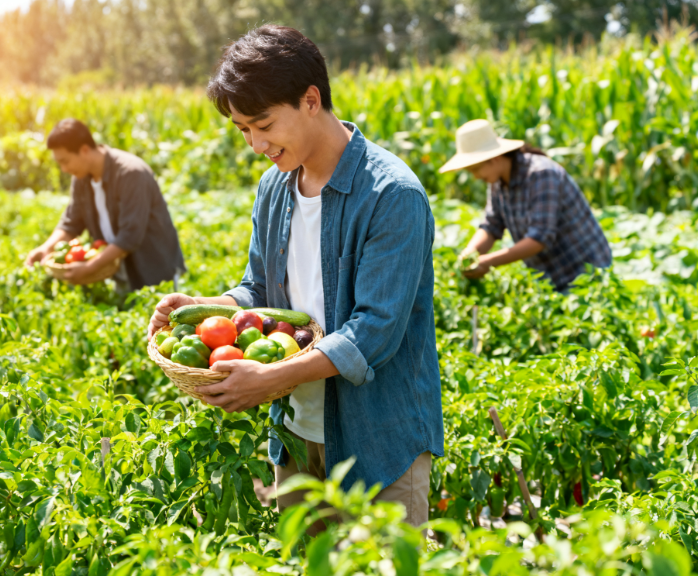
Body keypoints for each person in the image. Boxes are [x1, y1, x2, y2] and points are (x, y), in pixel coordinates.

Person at [148, 25, 443, 529]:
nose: (255, 143)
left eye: (263, 124)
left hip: (378, 438)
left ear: (311, 100)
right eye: (243, 129)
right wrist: (206, 306)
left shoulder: (392, 195)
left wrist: (271, 378)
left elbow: (375, 332)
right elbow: (258, 291)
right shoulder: (275, 187)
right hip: (295, 434)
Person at [440, 119, 612, 292]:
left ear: (494, 159)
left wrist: (488, 262)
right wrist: (470, 254)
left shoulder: (541, 174)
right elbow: (491, 226)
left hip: (586, 274)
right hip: (550, 278)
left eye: (476, 169)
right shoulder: (497, 183)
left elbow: (540, 238)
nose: (475, 177)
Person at [25, 118, 185, 291]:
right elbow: (72, 223)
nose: (64, 169)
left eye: (65, 161)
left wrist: (89, 268)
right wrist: (46, 248)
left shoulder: (131, 174)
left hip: (152, 269)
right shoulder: (81, 177)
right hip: (117, 270)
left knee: (160, 313)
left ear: (84, 150)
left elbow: (129, 237)